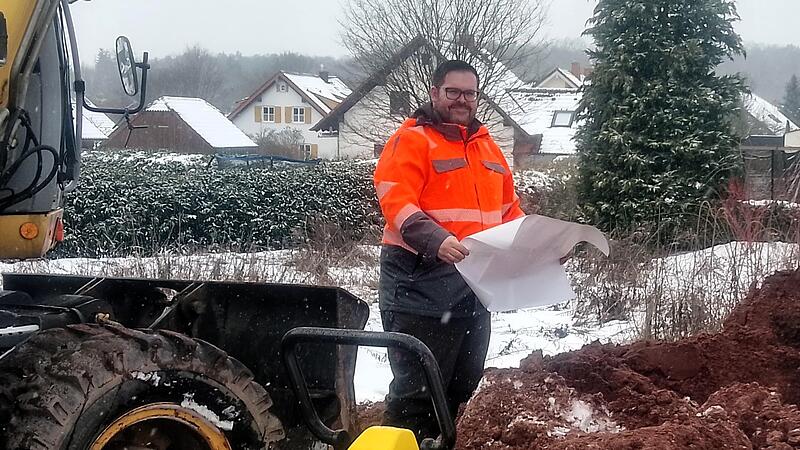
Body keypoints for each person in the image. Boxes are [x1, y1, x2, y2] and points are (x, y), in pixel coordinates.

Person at [373, 59, 525, 440]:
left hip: (473, 294)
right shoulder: (411, 140)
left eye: (470, 93)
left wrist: (540, 247)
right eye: (453, 91)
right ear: (435, 93)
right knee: (417, 399)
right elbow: (397, 201)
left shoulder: (488, 147)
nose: (462, 100)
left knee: (461, 395)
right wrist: (436, 239)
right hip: (419, 292)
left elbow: (509, 212)